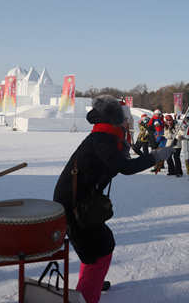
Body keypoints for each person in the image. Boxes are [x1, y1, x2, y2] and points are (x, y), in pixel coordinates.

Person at [53, 95, 172, 303]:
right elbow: (124, 167)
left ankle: (93, 283)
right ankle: (87, 295)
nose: (129, 124)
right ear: (116, 120)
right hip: (74, 204)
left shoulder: (106, 136)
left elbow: (118, 161)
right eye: (126, 120)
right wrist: (155, 156)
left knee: (97, 247)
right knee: (98, 252)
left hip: (83, 201)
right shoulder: (103, 139)